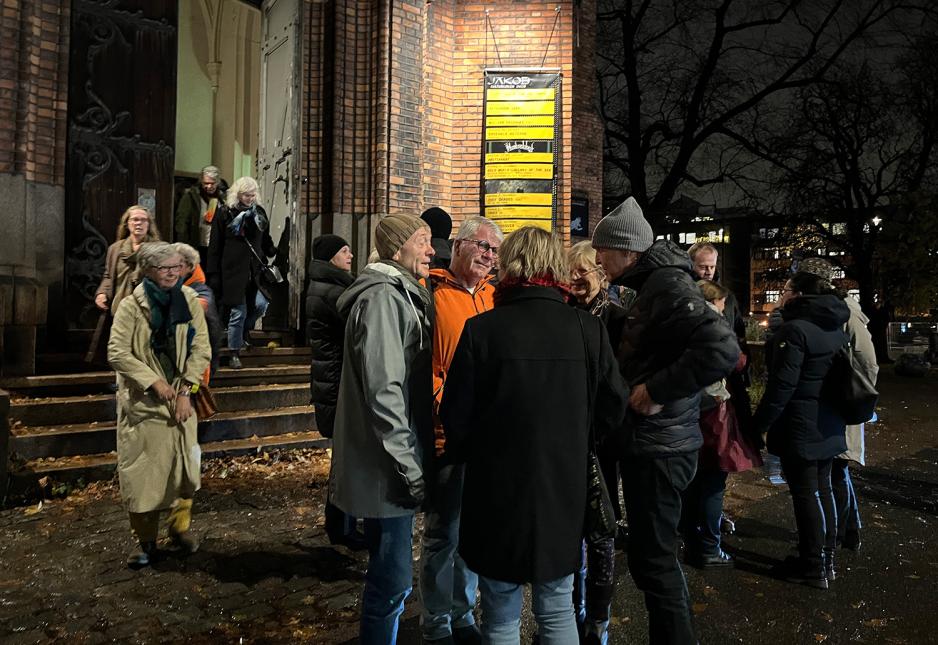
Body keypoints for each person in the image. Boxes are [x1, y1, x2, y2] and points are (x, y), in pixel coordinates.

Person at [440, 226, 628, 645]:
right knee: (558, 602)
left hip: (494, 488)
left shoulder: (482, 329)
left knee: (500, 610)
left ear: (510, 266)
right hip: (562, 485)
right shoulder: (586, 329)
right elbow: (614, 405)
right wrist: (578, 438)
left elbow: (456, 417)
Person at [591, 197, 739, 645]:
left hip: (661, 448)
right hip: (655, 444)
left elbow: (722, 350)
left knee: (654, 563)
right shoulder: (655, 285)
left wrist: (657, 391)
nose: (598, 260)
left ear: (629, 251)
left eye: (604, 251)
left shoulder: (669, 287)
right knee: (651, 560)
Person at [330, 214, 435, 643]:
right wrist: (409, 466)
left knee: (389, 576)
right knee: (392, 582)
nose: (431, 251)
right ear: (397, 249)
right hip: (386, 468)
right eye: (423, 241)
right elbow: (384, 391)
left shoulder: (398, 295)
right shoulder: (384, 300)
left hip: (386, 462)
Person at [420, 215, 502, 645]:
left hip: (486, 438)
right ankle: (435, 622)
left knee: (471, 531)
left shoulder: (494, 296)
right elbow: (425, 365)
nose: (489, 256)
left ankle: (462, 613)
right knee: (442, 534)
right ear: (459, 245)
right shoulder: (432, 293)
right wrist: (445, 406)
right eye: (483, 246)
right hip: (447, 433)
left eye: (494, 251)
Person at [107, 242, 211, 568]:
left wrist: (185, 392)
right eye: (165, 267)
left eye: (178, 266)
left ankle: (179, 530)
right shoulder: (130, 306)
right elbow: (118, 352)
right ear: (149, 270)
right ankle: (146, 541)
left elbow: (201, 349)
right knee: (145, 477)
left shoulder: (189, 300)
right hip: (145, 406)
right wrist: (153, 381)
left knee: (184, 471)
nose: (172, 273)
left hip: (181, 403)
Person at [752, 271, 850, 589]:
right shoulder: (833, 324)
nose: (781, 294)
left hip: (801, 426)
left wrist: (759, 426)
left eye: (785, 289)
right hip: (829, 422)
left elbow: (782, 386)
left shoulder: (795, 330)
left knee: (806, 493)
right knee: (824, 489)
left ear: (798, 295)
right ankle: (826, 560)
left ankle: (812, 565)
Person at [567, 240, 626, 643]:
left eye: (582, 271)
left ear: (601, 274)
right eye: (569, 271)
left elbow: (618, 387)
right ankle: (572, 611)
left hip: (601, 441)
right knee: (570, 530)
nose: (574, 279)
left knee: (601, 530)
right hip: (569, 439)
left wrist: (601, 430)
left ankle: (598, 618)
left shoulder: (618, 319)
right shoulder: (563, 315)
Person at [798, 258, 878, 553]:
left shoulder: (844, 312)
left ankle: (844, 532)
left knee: (836, 469)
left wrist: (858, 399)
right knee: (833, 469)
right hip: (831, 404)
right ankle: (843, 530)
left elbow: (867, 361)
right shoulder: (827, 309)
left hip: (841, 404)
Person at [680, 280, 762, 569]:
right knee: (714, 483)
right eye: (721, 303)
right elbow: (737, 361)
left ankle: (691, 542)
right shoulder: (712, 327)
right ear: (712, 302)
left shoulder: (682, 325)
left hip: (690, 413)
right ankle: (710, 548)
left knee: (692, 482)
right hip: (716, 412)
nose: (724, 308)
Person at [304, 233, 364, 551]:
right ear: (331, 258)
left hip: (333, 381)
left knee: (345, 457)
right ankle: (341, 526)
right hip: (337, 384)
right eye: (344, 251)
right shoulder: (332, 291)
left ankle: (343, 523)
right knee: (344, 459)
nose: (351, 255)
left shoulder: (329, 286)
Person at [206, 176, 276, 369]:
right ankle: (234, 352)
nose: (250, 199)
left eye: (253, 195)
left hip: (254, 271)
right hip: (232, 271)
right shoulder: (225, 213)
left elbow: (264, 237)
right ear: (237, 194)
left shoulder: (259, 213)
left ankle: (243, 331)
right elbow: (215, 245)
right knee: (238, 312)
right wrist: (213, 274)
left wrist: (270, 250)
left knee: (261, 306)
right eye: (246, 195)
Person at [95, 205, 162, 316]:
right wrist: (102, 293)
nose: (138, 223)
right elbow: (108, 276)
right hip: (120, 308)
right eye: (135, 219)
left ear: (149, 224)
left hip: (149, 309)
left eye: (143, 220)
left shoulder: (160, 249)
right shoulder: (115, 249)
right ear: (127, 223)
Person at [175, 165, 225, 266]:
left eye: (212, 183)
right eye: (206, 183)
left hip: (216, 247)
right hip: (197, 244)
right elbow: (182, 223)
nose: (209, 186)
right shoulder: (191, 196)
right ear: (201, 182)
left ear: (217, 183)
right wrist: (183, 248)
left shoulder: (222, 198)